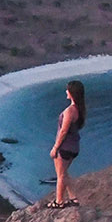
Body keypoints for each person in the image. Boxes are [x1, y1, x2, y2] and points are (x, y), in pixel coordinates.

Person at [48, 79, 86, 208]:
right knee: (64, 173)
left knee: (60, 175)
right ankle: (73, 198)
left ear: (72, 93)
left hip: (64, 147)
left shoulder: (70, 111)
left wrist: (55, 148)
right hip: (74, 146)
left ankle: (59, 202)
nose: (66, 91)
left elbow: (63, 131)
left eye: (67, 90)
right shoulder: (80, 110)